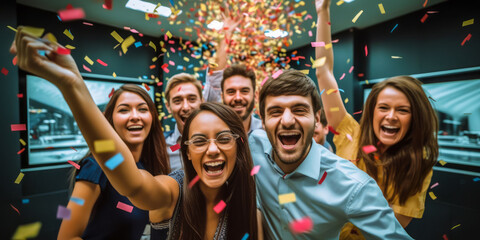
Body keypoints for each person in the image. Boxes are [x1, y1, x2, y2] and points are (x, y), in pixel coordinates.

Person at [11, 29, 261, 239]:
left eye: (224, 138)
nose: (213, 148)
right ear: (186, 150)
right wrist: (73, 86)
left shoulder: (246, 200)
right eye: (199, 140)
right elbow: (131, 182)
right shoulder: (171, 188)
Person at [314, 0, 438, 238]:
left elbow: (389, 230)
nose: (391, 116)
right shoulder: (349, 131)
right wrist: (323, 12)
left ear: (415, 118)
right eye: (383, 107)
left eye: (402, 110)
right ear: (372, 111)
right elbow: (324, 71)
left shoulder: (417, 163)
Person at [250, 68, 413, 239]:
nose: (288, 121)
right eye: (275, 112)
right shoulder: (254, 146)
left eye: (299, 110)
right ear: (263, 120)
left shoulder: (353, 186)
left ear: (317, 118)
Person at [57, 84, 170, 239]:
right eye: (124, 110)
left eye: (142, 109)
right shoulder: (96, 167)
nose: (135, 116)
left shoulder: (146, 167)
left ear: (152, 117)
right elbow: (66, 237)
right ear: (109, 120)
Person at [202, 10, 263, 135]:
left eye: (245, 91)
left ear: (255, 96)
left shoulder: (266, 132)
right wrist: (227, 33)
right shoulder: (213, 131)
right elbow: (215, 75)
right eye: (231, 91)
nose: (238, 97)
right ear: (222, 96)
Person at [164, 73, 204, 171]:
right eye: (177, 101)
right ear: (168, 107)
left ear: (202, 102)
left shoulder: (219, 141)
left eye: (192, 99)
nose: (185, 107)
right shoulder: (162, 147)